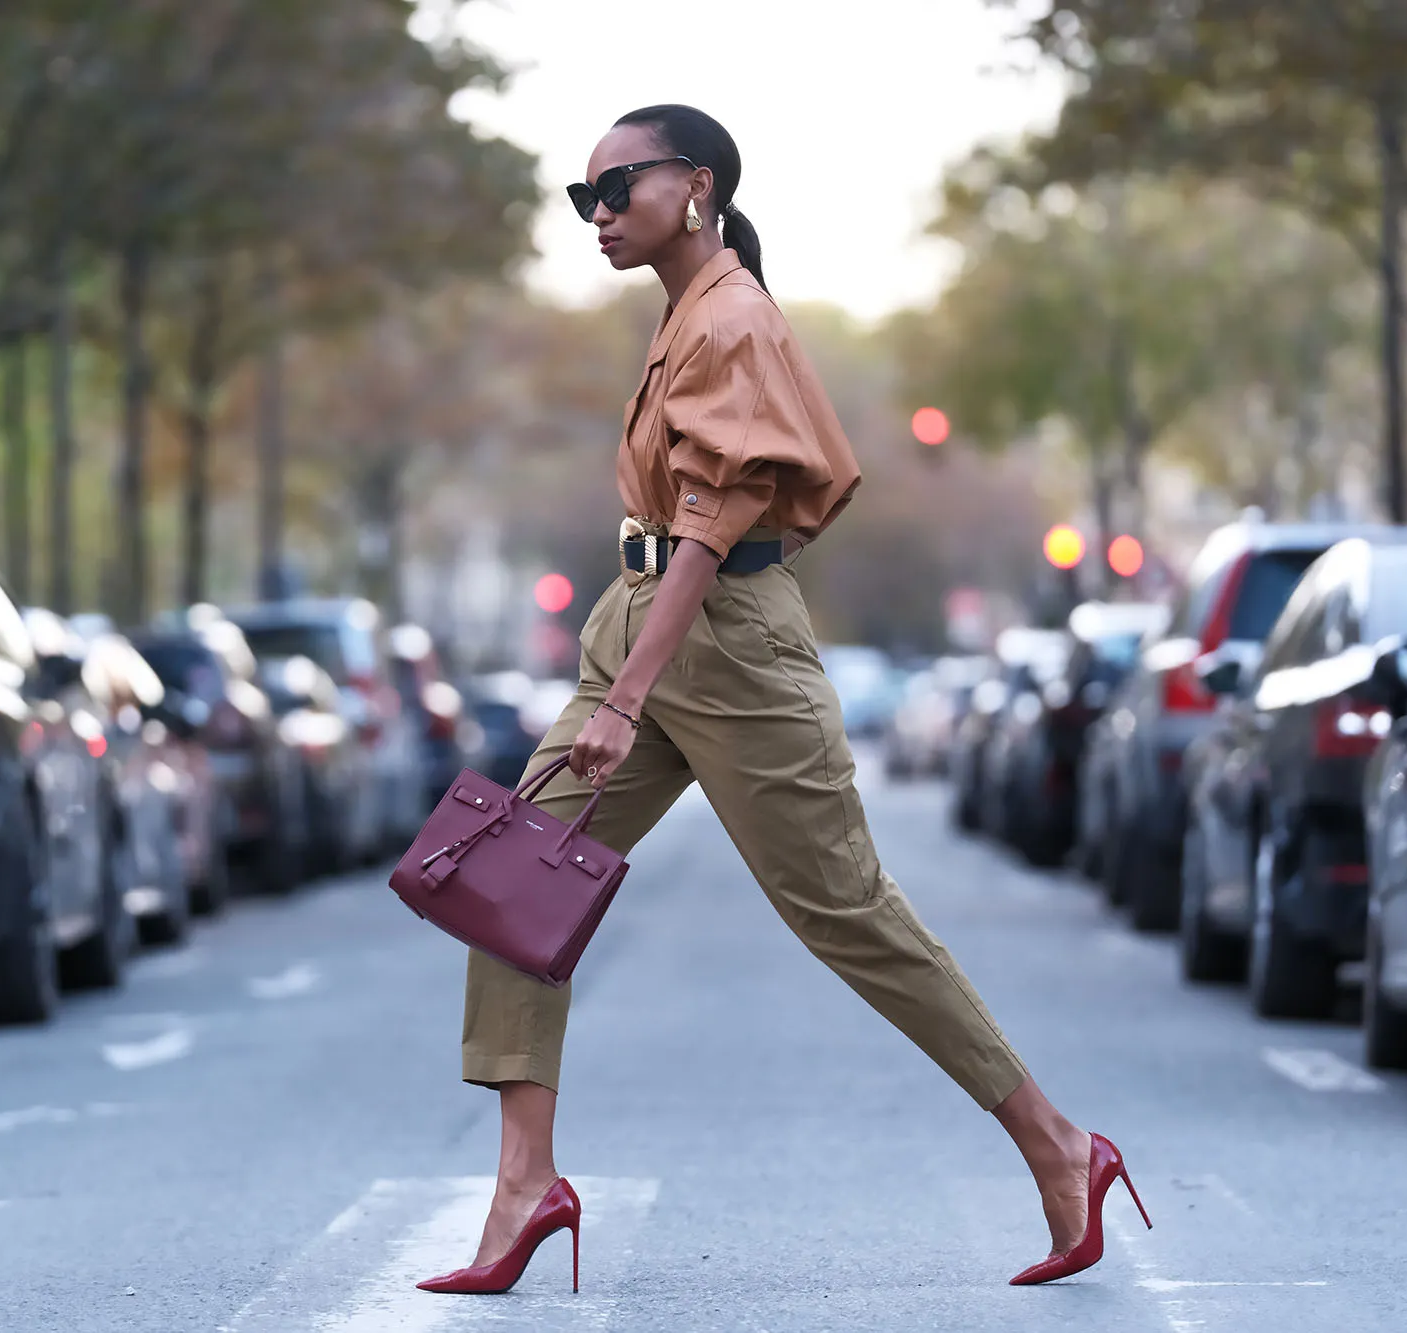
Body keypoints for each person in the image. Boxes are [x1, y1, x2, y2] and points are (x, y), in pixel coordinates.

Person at [417, 104, 1149, 1297]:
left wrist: (624, 697)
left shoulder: (734, 317)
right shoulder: (683, 314)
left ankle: (1058, 1143)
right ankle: (523, 1184)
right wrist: (623, 670)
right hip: (642, 624)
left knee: (844, 912)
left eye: (618, 188)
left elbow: (710, 526)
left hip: (727, 648)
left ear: (694, 185)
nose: (596, 215)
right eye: (582, 198)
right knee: (509, 877)